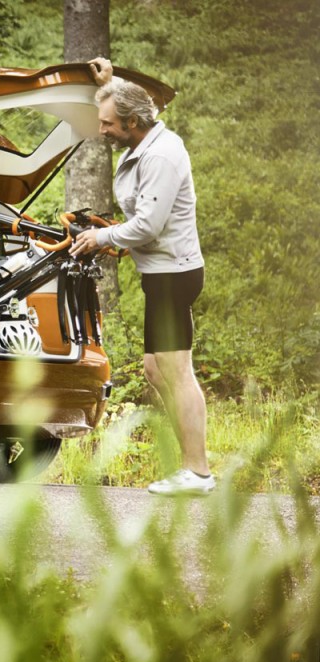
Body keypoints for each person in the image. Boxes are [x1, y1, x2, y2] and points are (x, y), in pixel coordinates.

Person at [70, 58, 213, 495]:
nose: (102, 130)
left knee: (175, 370)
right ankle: (193, 464)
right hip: (161, 273)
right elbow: (136, 103)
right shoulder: (145, 134)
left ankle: (197, 471)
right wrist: (110, 82)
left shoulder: (162, 156)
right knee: (156, 369)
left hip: (173, 275)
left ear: (133, 122)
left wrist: (100, 237)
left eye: (108, 123)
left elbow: (148, 226)